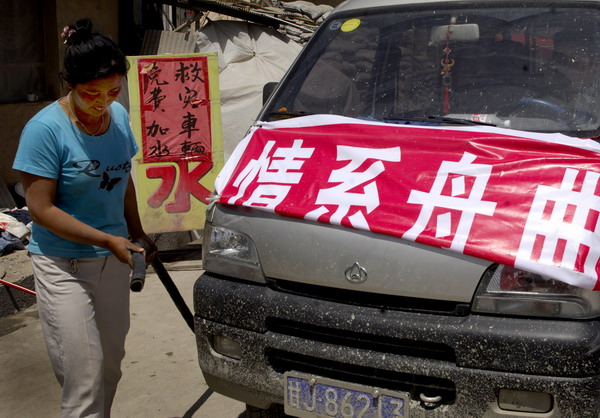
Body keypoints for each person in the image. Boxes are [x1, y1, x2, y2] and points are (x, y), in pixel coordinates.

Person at [12, 19, 156, 417]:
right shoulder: (44, 130)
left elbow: (123, 178)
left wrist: (136, 231)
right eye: (92, 92)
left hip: (112, 262)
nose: (103, 101)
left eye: (113, 90)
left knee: (110, 368)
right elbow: (41, 209)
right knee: (84, 377)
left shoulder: (119, 117)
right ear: (70, 83)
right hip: (63, 265)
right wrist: (107, 239)